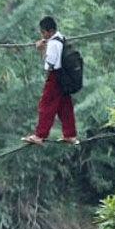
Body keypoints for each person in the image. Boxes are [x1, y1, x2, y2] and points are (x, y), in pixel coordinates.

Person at [21, 16, 79, 145]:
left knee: (46, 105)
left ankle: (40, 135)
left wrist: (42, 50)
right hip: (64, 77)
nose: (43, 35)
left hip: (54, 78)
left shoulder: (53, 44)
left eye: (43, 32)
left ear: (50, 31)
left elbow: (49, 64)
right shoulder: (61, 38)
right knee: (65, 106)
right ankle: (70, 134)